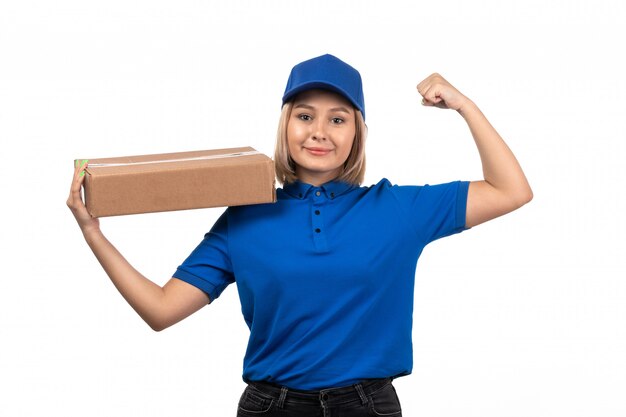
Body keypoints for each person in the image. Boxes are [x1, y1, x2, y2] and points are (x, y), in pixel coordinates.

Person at [67, 53, 532, 417]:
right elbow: (161, 309)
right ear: (286, 125)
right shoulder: (245, 218)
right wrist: (94, 234)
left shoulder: (398, 208)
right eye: (305, 116)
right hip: (271, 407)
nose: (319, 132)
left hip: (367, 407)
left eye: (338, 119)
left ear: (357, 133)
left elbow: (511, 191)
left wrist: (465, 107)